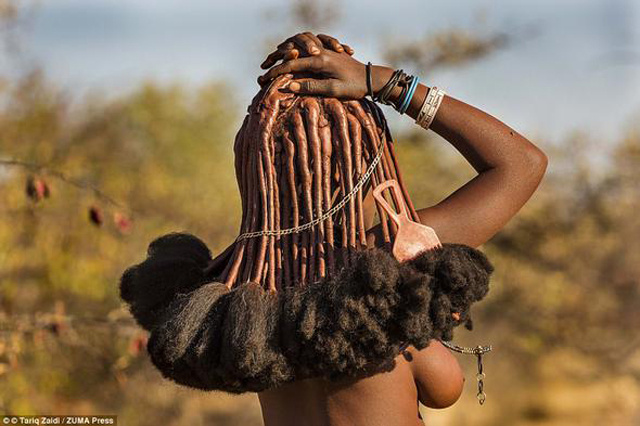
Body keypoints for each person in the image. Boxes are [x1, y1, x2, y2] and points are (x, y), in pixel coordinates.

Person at [252, 32, 548, 426]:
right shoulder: (387, 257)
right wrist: (387, 84)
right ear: (368, 163)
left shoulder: (249, 279)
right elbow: (522, 164)